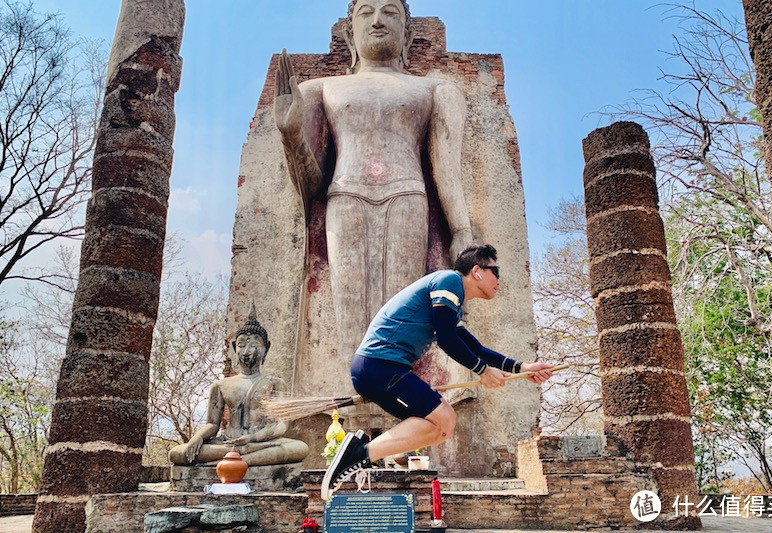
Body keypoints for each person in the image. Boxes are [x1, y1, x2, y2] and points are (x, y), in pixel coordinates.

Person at [274, 0, 474, 362]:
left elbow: (445, 169)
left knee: (401, 313)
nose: (378, 21)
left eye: (390, 12)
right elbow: (311, 185)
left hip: (407, 196)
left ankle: (398, 400)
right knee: (351, 315)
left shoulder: (432, 90)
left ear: (408, 34)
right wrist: (291, 136)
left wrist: (461, 229)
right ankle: (358, 404)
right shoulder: (321, 89)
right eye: (366, 12)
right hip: (345, 196)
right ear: (350, 32)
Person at [320, 245, 555, 499]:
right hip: (380, 365)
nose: (499, 280)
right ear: (477, 271)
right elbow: (446, 340)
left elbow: (473, 347)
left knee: (441, 427)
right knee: (444, 419)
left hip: (382, 369)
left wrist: (523, 367)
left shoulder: (453, 303)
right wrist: (482, 371)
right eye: (495, 271)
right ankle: (359, 454)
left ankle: (374, 452)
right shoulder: (449, 280)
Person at [169, 305, 309, 466]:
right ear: (235, 348)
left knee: (300, 448)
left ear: (266, 348)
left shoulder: (275, 383)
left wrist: (251, 439)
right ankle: (239, 457)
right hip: (228, 443)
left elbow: (281, 425)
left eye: (255, 344)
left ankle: (232, 460)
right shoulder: (221, 385)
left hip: (259, 442)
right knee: (177, 453)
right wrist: (197, 438)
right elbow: (212, 424)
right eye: (242, 345)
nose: (247, 350)